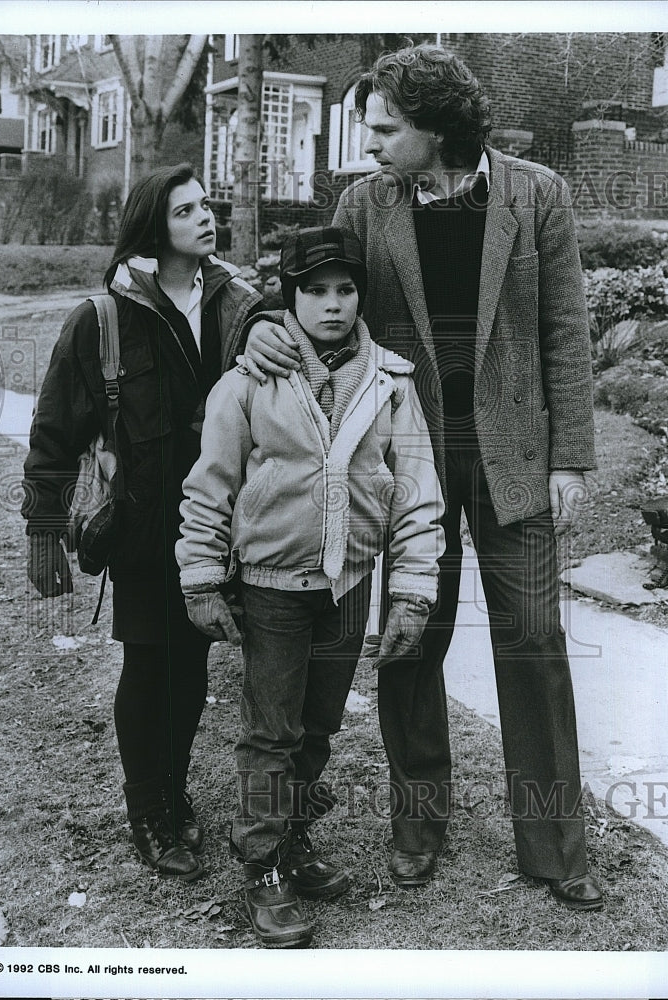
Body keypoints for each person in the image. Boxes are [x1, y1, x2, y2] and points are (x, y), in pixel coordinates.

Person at [244, 44, 604, 911]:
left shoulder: (536, 193)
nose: (366, 143)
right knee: (410, 641)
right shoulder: (364, 203)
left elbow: (564, 331)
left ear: (435, 128)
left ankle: (555, 847)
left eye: (383, 128)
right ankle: (418, 827)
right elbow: (305, 289)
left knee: (533, 646)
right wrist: (260, 322)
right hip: (408, 464)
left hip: (513, 459)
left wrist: (570, 460)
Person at [175, 226, 444, 948]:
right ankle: (261, 865)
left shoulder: (390, 382)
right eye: (314, 290)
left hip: (347, 584)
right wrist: (201, 576)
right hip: (269, 585)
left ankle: (291, 838)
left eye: (345, 290)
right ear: (288, 297)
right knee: (271, 730)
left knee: (318, 726)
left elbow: (416, 494)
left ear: (360, 296)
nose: (331, 305)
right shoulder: (247, 379)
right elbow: (210, 485)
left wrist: (412, 591)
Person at [21, 163, 261, 883]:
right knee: (150, 665)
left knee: (189, 669)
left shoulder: (239, 305)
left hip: (221, 523)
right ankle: (148, 810)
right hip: (145, 527)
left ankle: (172, 787)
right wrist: (43, 530)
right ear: (154, 226)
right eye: (186, 210)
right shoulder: (103, 319)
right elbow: (55, 429)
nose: (206, 217)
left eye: (207, 206)